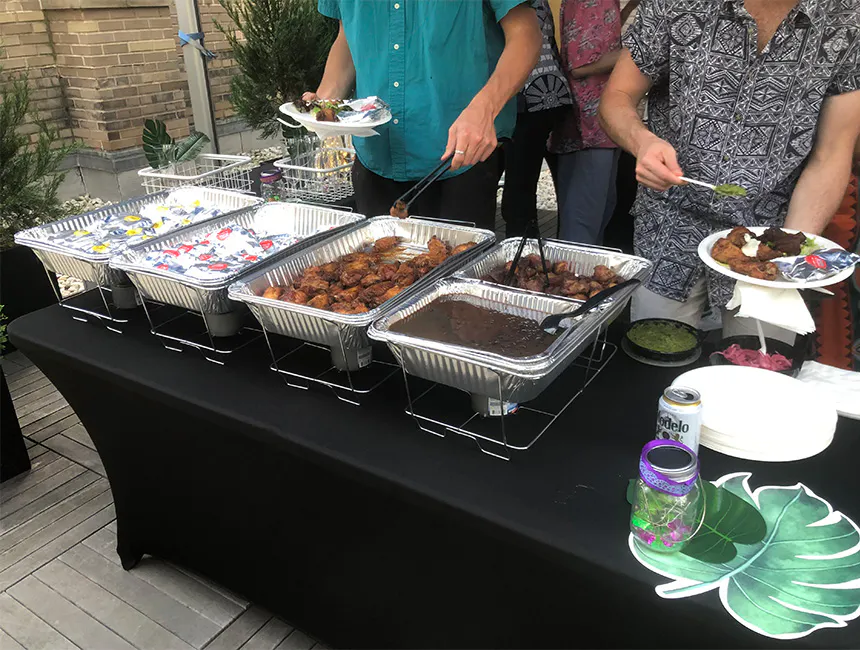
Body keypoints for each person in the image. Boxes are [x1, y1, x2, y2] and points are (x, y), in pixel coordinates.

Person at [599, 0, 860, 339]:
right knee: (656, 362)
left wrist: (785, 255)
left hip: (773, 227)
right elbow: (616, 96)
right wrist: (641, 142)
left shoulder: (848, 17)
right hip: (668, 226)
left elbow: (831, 155)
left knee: (760, 369)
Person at [307, 0, 542, 230]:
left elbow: (525, 34)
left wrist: (485, 107)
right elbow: (348, 35)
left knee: (457, 267)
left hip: (459, 155)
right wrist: (325, 102)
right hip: (376, 153)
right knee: (373, 265)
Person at [548, 0, 640, 245]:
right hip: (588, 126)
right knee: (583, 226)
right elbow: (580, 66)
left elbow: (607, 38)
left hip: (604, 126)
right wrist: (640, 51)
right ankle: (574, 278)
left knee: (600, 215)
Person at [500, 0, 572, 239]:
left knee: (518, 188)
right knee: (524, 183)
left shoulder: (516, 5)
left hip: (530, 98)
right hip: (550, 94)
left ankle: (522, 253)